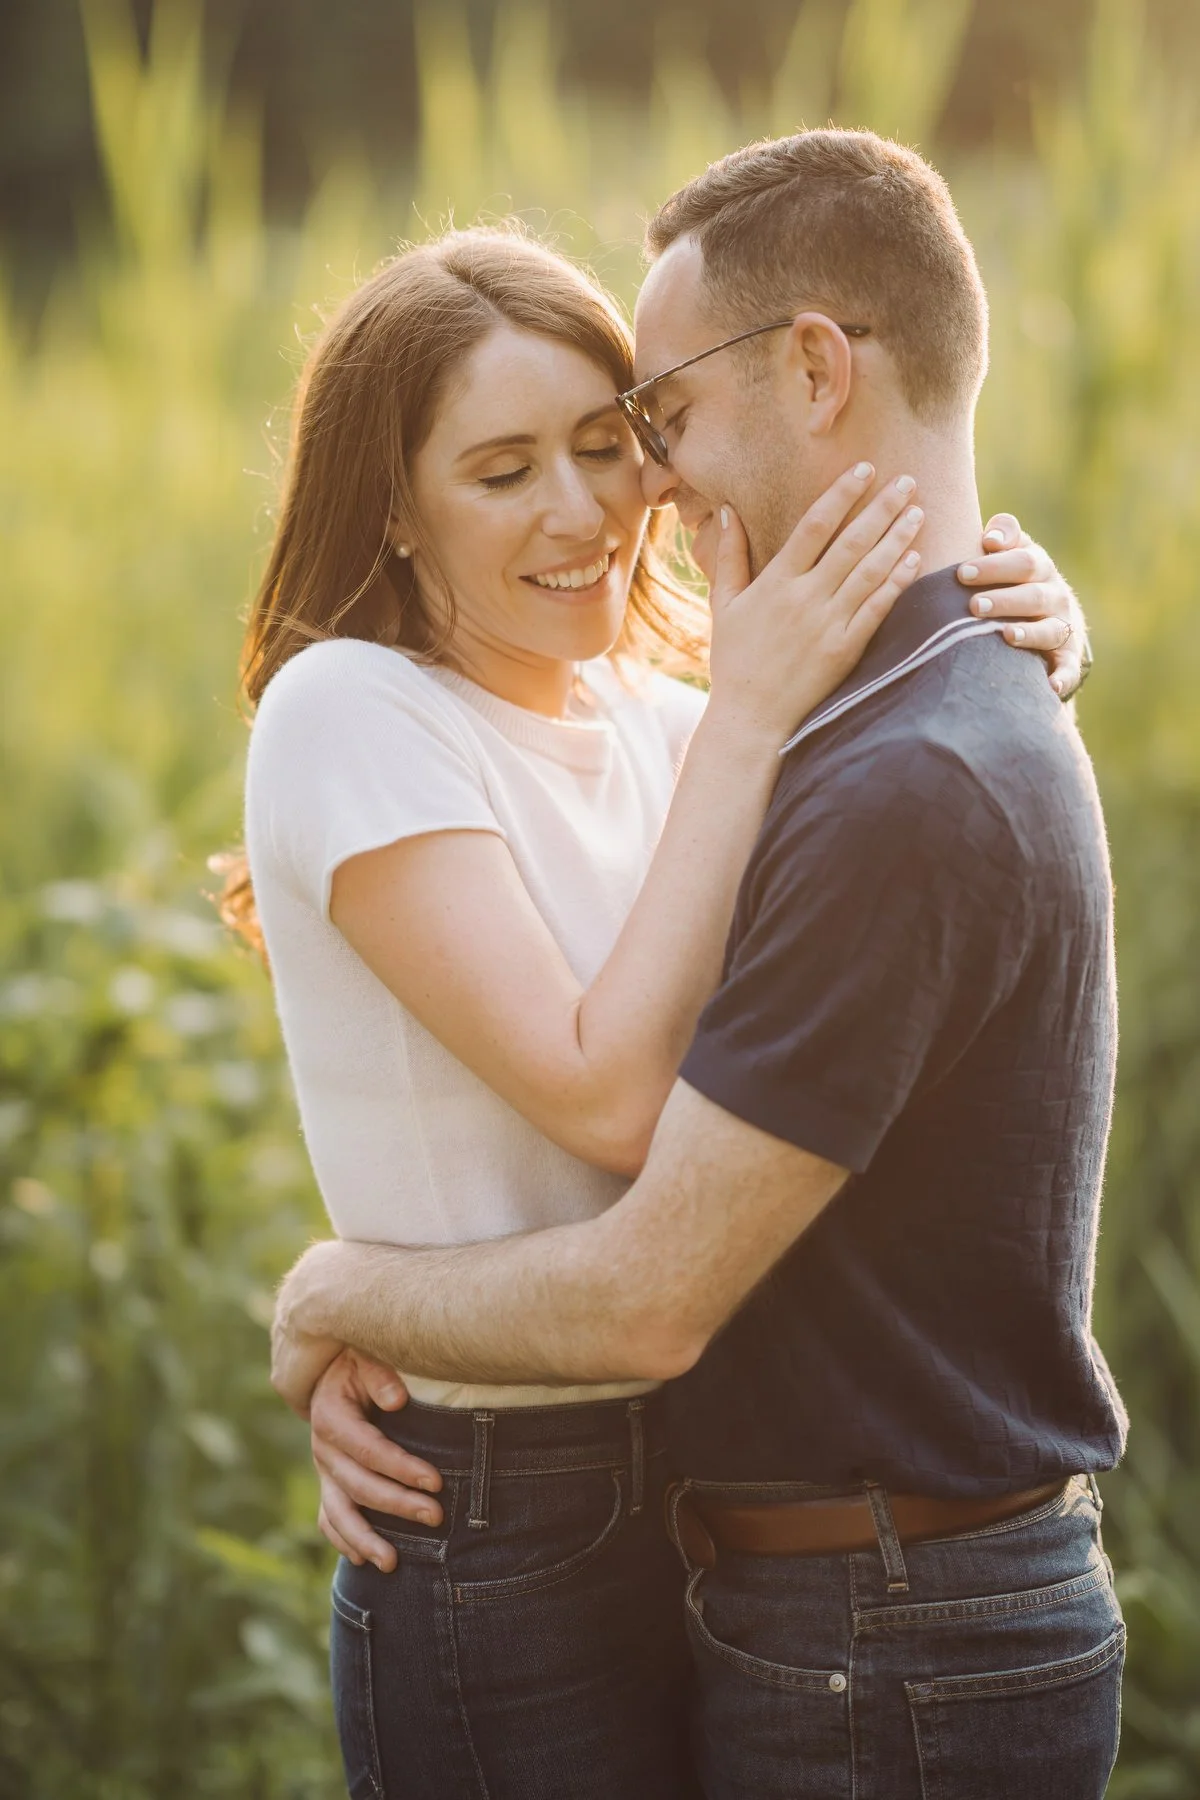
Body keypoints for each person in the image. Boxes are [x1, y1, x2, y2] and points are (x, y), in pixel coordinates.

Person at [271, 132, 1125, 1800]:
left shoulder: (706, 729)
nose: (607, 502)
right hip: (513, 1496)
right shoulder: (372, 711)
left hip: (706, 1503)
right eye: (504, 468)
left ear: (811, 368)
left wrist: (1020, 626)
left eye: (622, 437)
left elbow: (920, 769)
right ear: (395, 500)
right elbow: (611, 1098)